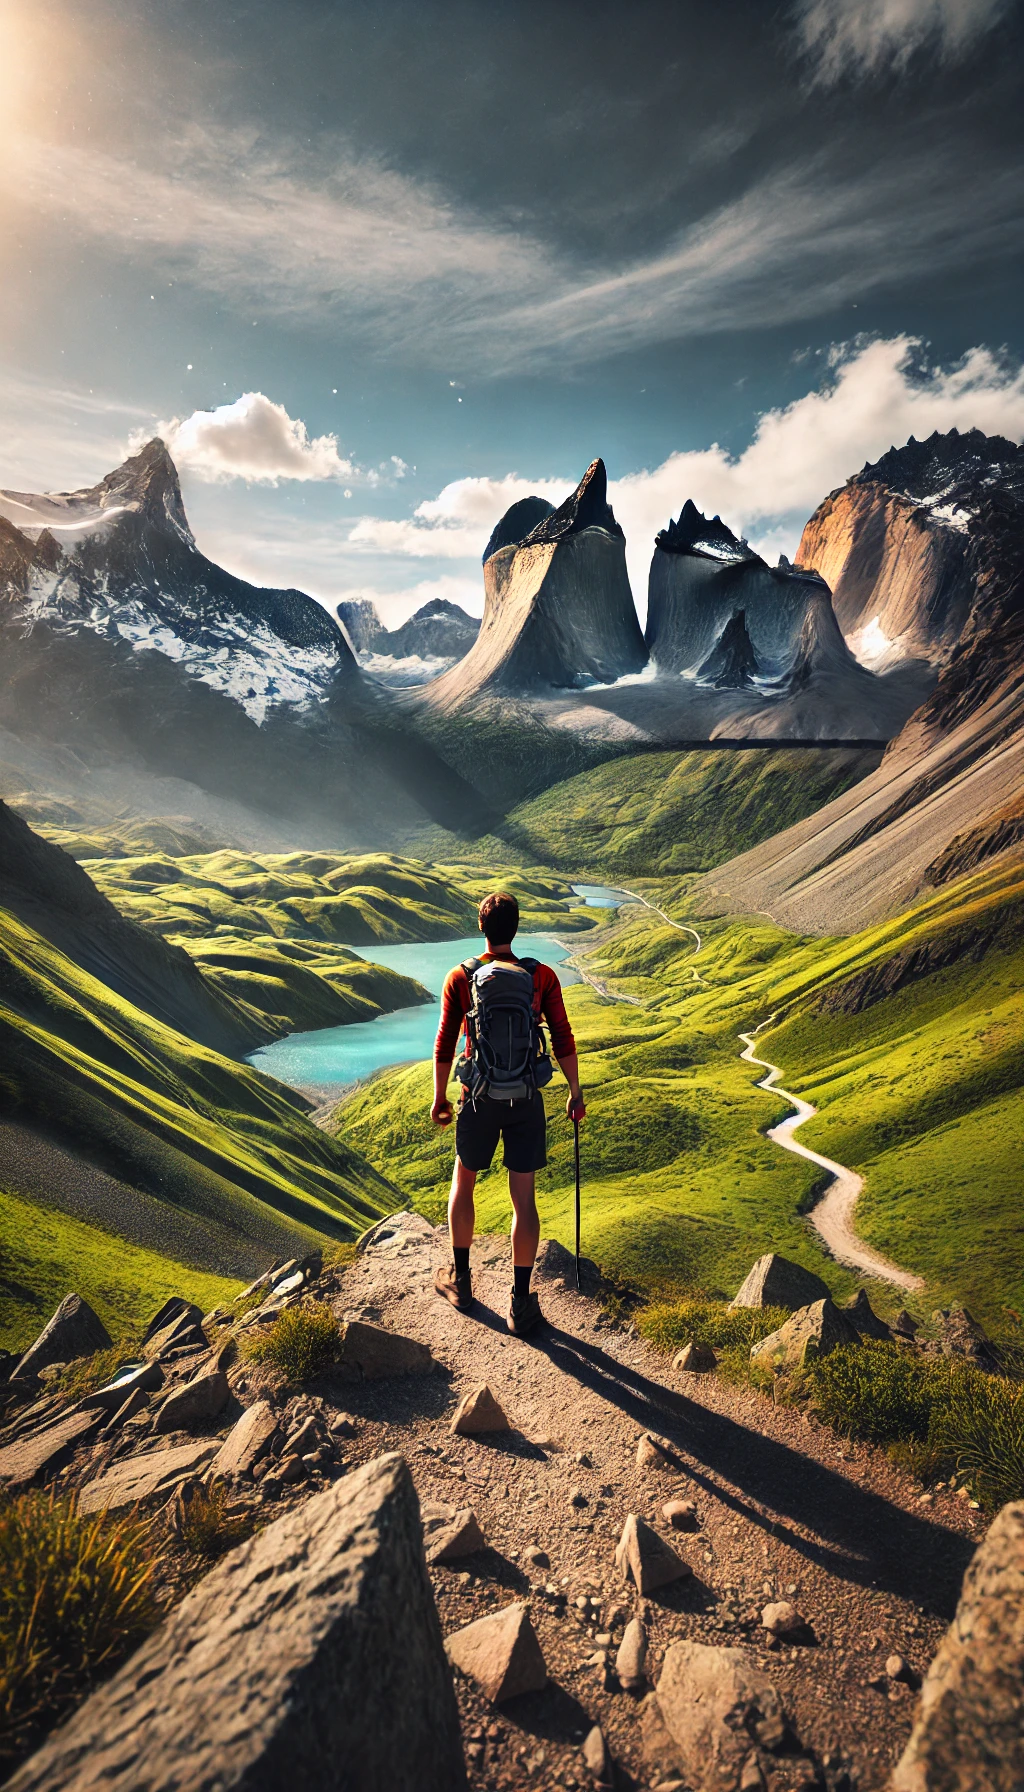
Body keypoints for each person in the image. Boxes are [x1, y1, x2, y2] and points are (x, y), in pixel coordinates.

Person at [431, 890, 585, 1335]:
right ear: (515, 928)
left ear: (482, 928)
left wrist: (441, 1098)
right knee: (524, 1200)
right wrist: (575, 1091)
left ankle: (461, 1282)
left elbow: (445, 1044)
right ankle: (520, 1303)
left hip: (477, 1099)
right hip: (525, 1100)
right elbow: (562, 1037)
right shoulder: (541, 977)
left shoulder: (461, 977)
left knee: (464, 1183)